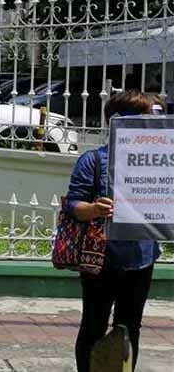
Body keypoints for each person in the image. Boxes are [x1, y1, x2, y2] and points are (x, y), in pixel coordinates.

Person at [68, 90, 161, 372]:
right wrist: (94, 208)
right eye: (145, 119)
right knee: (94, 324)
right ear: (121, 123)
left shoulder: (162, 163)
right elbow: (74, 204)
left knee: (131, 326)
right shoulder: (94, 161)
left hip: (142, 256)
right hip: (101, 259)